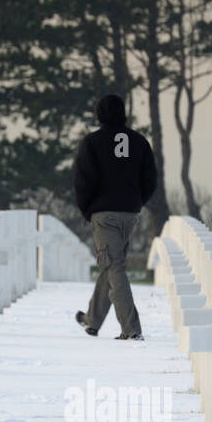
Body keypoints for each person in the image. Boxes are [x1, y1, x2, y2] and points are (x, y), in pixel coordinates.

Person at [72, 93, 157, 340]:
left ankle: (131, 329)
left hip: (104, 213)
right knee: (111, 264)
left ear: (99, 114)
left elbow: (82, 180)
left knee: (113, 266)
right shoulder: (139, 142)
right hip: (129, 213)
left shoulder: (92, 142)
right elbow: (150, 179)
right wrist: (137, 201)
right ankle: (92, 319)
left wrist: (87, 209)